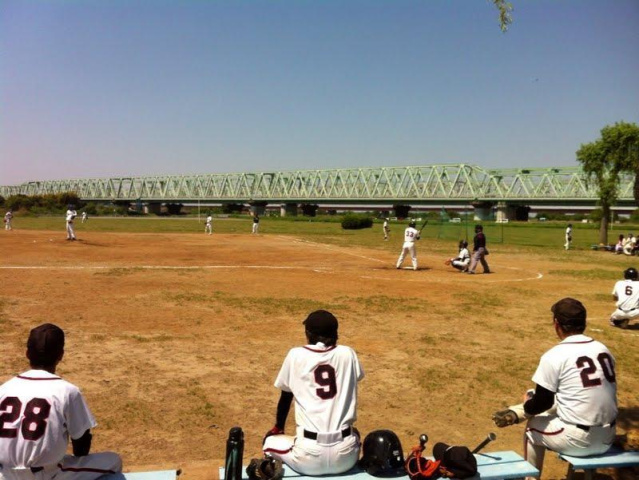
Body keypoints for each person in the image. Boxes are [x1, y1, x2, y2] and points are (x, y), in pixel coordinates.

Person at [491, 298, 617, 478]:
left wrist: (527, 406)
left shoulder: (554, 355)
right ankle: (517, 412)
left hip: (578, 440)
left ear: (556, 323)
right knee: (562, 398)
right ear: (584, 323)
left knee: (533, 426)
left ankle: (530, 478)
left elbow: (542, 403)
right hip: (608, 437)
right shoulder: (603, 349)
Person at [0, 323, 122, 480]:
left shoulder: (4, 389)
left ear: (27, 353)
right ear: (61, 355)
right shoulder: (67, 391)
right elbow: (81, 448)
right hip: (46, 475)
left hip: (3, 474)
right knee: (113, 461)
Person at [262, 310, 364, 476]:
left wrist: (278, 427)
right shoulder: (348, 353)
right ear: (335, 333)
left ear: (308, 333)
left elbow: (286, 396)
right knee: (355, 434)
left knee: (269, 442)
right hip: (346, 457)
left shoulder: (296, 355)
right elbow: (356, 377)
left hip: (309, 457)